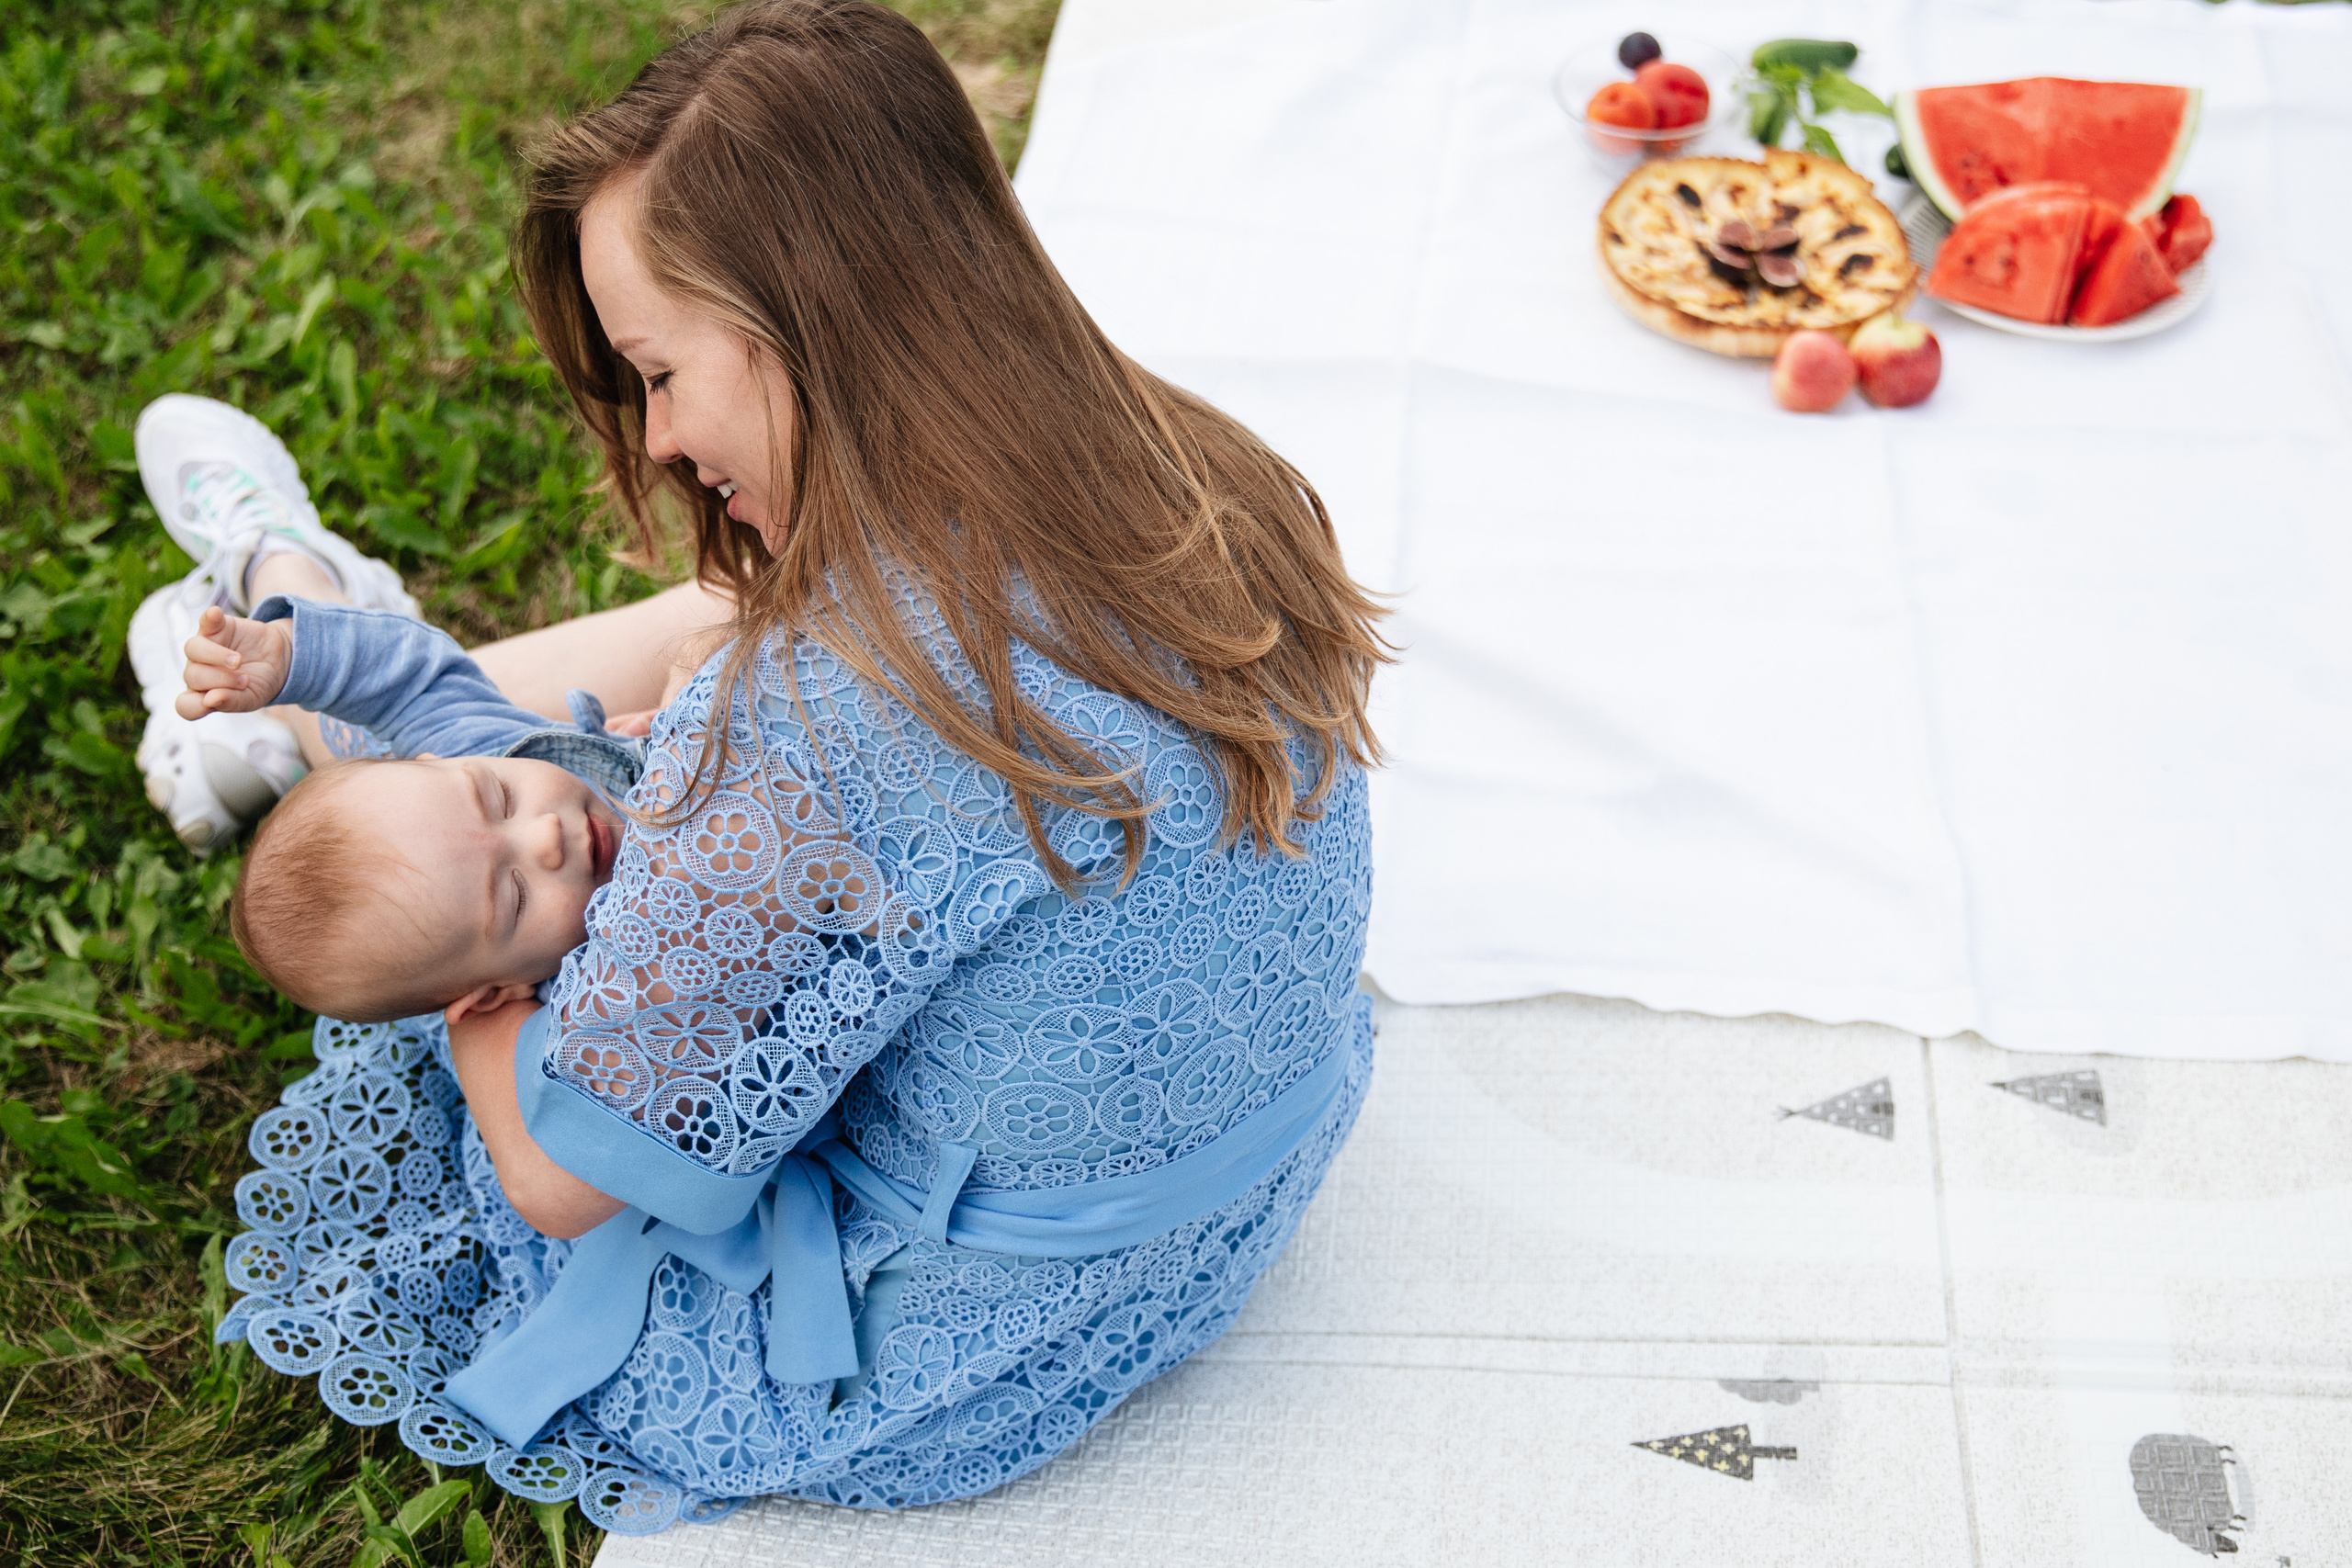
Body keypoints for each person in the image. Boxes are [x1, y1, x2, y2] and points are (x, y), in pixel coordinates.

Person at [203, 0, 1385, 1535]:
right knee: (588, 713)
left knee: (440, 922)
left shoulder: (807, 726)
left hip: (998, 1329)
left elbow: (579, 1165)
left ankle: (284, 635)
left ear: (807, 323)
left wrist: (480, 1032)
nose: (664, 436)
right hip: (1249, 1188)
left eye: (658, 369)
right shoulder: (1188, 463)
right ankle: (313, 643)